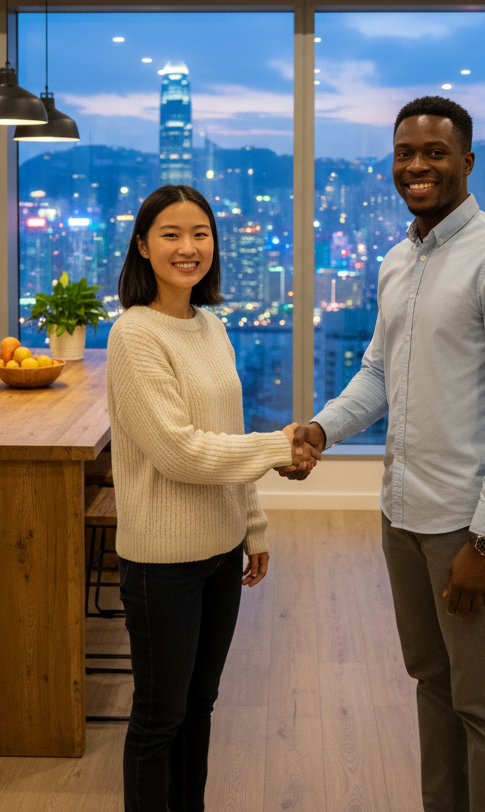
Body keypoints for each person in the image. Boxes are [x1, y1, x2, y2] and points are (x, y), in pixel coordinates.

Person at [286, 96, 485, 812]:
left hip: (467, 525)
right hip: (400, 513)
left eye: (434, 153)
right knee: (432, 682)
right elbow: (378, 372)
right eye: (405, 153)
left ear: (467, 162)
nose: (417, 166)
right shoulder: (398, 261)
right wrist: (321, 429)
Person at [108, 183, 320, 812]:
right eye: (170, 234)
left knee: (199, 706)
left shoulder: (211, 324)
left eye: (200, 234)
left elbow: (224, 436)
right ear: (143, 246)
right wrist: (280, 447)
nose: (188, 247)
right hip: (160, 564)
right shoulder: (134, 336)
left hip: (222, 553)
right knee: (159, 716)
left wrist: (252, 526)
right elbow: (180, 452)